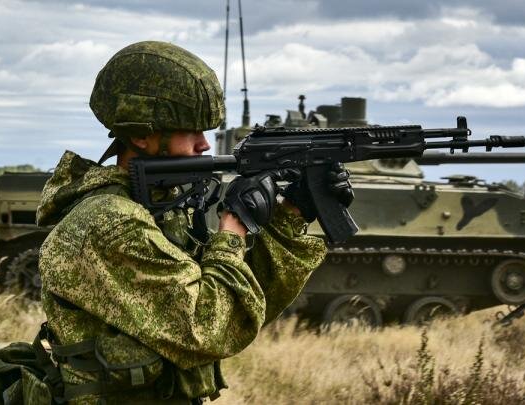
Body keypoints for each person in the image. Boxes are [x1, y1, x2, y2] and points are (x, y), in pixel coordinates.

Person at [33, 41, 353, 404]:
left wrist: (290, 215)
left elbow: (241, 311)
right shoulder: (109, 224)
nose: (204, 144)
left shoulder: (160, 210)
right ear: (140, 134)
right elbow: (211, 328)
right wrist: (233, 229)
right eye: (191, 131)